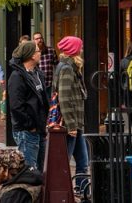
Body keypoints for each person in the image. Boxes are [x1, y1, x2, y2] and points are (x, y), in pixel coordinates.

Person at [54, 35, 89, 194]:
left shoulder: (71, 67)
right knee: (65, 161)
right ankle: (61, 191)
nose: (81, 50)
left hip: (76, 123)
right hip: (71, 124)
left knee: (83, 161)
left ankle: (82, 190)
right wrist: (71, 126)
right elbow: (64, 98)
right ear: (73, 50)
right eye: (79, 47)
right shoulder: (67, 69)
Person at [7, 40, 48, 171]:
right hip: (27, 131)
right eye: (38, 51)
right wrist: (30, 125)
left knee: (41, 170)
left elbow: (42, 100)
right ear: (31, 55)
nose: (40, 53)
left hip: (40, 129)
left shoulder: (37, 74)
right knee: (29, 170)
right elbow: (16, 106)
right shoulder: (17, 76)